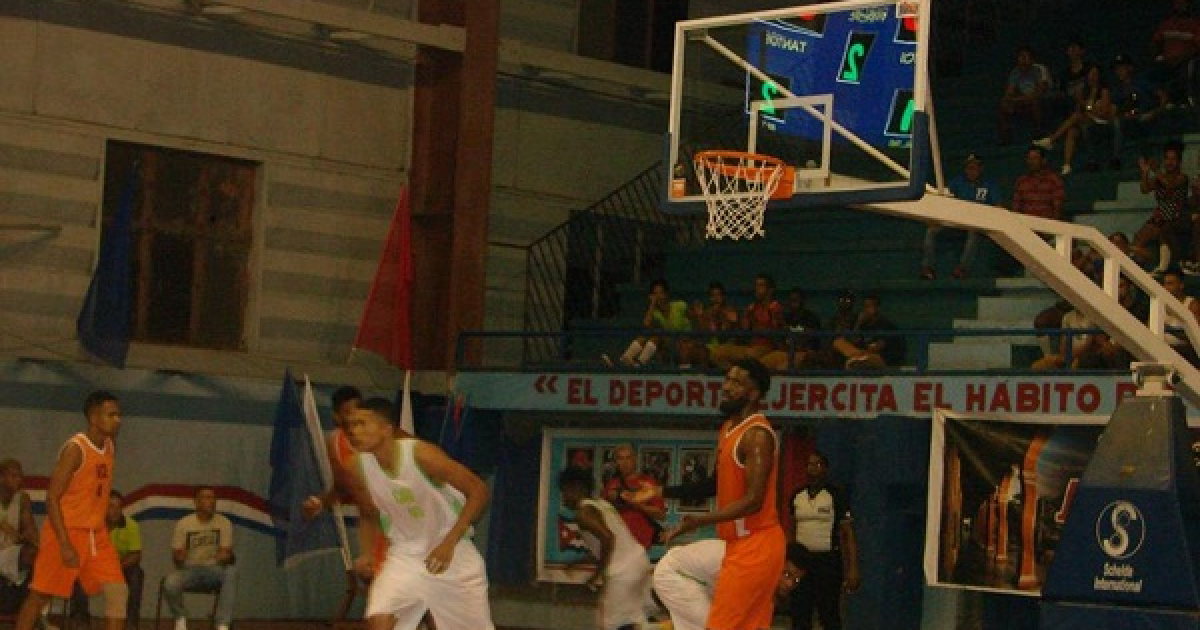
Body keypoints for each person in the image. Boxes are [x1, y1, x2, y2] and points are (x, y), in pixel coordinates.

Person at [633, 358, 786, 630]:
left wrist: (700, 521)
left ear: (754, 393)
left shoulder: (757, 435)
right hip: (738, 545)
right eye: (727, 379)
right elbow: (714, 483)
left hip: (756, 546)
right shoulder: (728, 429)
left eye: (737, 382)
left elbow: (753, 501)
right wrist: (661, 490)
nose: (726, 387)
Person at [343, 398, 494, 630]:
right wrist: (367, 553)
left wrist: (448, 543)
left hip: (453, 554)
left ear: (386, 428)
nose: (354, 431)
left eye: (362, 424)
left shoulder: (421, 454)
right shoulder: (356, 466)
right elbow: (368, 512)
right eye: (350, 425)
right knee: (380, 619)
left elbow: (479, 490)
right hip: (405, 555)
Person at [15, 391, 128, 630]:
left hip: (96, 535)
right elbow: (52, 497)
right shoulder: (76, 449)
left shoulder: (109, 445)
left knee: (118, 593)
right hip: (65, 532)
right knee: (40, 595)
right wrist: (64, 542)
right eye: (112, 414)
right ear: (94, 418)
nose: (118, 419)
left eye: (119, 414)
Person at [559, 467, 652, 630]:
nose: (563, 497)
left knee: (612, 625)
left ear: (576, 488)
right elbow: (608, 544)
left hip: (622, 573)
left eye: (564, 491)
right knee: (636, 620)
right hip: (639, 562)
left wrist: (597, 574)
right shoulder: (602, 504)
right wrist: (579, 562)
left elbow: (608, 538)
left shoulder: (583, 513)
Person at [653, 540, 810, 630]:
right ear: (777, 563)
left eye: (796, 581)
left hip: (697, 579)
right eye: (787, 574)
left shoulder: (764, 574)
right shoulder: (751, 570)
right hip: (674, 574)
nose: (789, 584)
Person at [787, 452, 860, 630]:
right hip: (801, 564)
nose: (812, 469)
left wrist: (853, 568)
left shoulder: (835, 495)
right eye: (809, 464)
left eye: (817, 464)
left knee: (829, 613)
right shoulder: (797, 495)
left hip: (827, 561)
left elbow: (847, 533)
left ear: (825, 469)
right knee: (800, 612)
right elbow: (791, 529)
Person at [163, 486, 236, 630]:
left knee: (231, 572)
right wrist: (179, 557)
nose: (211, 501)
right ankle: (180, 618)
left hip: (214, 569)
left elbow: (225, 552)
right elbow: (176, 557)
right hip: (189, 569)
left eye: (213, 498)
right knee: (170, 582)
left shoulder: (224, 522)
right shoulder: (184, 523)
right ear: (196, 502)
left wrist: (225, 556)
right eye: (207, 497)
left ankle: (222, 624)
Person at [70, 491, 143, 630]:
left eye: (118, 507)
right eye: (111, 506)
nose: (115, 511)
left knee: (136, 574)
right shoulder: (91, 526)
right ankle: (81, 622)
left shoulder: (131, 525)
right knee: (77, 574)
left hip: (119, 568)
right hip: (93, 568)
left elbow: (135, 555)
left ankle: (130, 623)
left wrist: (114, 568)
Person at [922, 153, 997, 280]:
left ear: (980, 169)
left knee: (973, 232)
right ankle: (927, 268)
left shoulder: (989, 184)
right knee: (931, 231)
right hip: (957, 224)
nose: (970, 171)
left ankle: (962, 269)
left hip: (979, 226)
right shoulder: (958, 182)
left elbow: (998, 207)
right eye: (968, 168)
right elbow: (945, 201)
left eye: (974, 168)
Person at [605, 279, 691, 368]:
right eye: (655, 294)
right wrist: (652, 304)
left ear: (666, 294)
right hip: (669, 344)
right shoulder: (656, 313)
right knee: (647, 336)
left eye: (660, 293)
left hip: (684, 343)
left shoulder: (680, 305)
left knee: (657, 335)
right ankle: (625, 360)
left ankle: (638, 364)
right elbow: (646, 324)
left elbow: (693, 319)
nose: (658, 297)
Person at [1135, 141, 1191, 275]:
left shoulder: (1182, 178)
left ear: (1179, 162)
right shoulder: (1159, 178)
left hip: (1177, 215)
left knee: (1162, 228)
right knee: (1139, 238)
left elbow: (1169, 185)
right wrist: (1145, 172)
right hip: (1160, 215)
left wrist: (1156, 170)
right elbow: (1145, 189)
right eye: (1167, 158)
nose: (1169, 162)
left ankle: (1164, 265)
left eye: (1173, 159)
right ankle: (1142, 266)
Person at [710, 274, 787, 369]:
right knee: (717, 353)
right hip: (751, 346)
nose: (757, 289)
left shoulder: (775, 307)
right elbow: (744, 329)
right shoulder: (752, 307)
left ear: (770, 290)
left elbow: (777, 333)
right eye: (756, 285)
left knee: (751, 356)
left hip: (767, 347)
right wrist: (734, 321)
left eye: (761, 285)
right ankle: (735, 374)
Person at [601, 444, 664, 550]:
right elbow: (602, 513)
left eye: (628, 458)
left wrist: (635, 503)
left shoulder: (647, 483)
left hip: (640, 542)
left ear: (635, 460)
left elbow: (660, 514)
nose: (625, 462)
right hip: (618, 541)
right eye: (620, 458)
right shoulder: (611, 485)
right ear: (616, 462)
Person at [0, 458, 37, 614]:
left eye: (20, 476)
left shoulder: (22, 498)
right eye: (13, 476)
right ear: (1, 478)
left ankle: (31, 612)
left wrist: (30, 535)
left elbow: (30, 527)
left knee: (34, 553)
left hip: (9, 552)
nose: (18, 480)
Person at [832, 294, 905, 369]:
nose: (865, 309)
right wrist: (858, 323)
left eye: (869, 306)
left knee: (858, 363)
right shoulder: (864, 324)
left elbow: (878, 346)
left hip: (883, 358)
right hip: (862, 355)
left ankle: (857, 359)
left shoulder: (884, 324)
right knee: (838, 342)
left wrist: (862, 353)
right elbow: (853, 340)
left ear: (877, 308)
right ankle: (857, 358)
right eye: (864, 306)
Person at [998, 46, 1052, 145]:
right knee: (1004, 104)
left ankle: (1039, 132)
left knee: (1035, 101)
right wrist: (1009, 99)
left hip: (1043, 100)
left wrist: (1020, 99)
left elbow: (1040, 91)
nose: (1023, 60)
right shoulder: (1015, 72)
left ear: (1031, 58)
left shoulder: (1040, 69)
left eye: (1025, 57)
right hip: (1023, 100)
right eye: (1020, 57)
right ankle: (1005, 135)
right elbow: (1009, 92)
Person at [1011, 144, 1065, 221]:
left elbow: (1058, 208)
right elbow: (1016, 207)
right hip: (1026, 226)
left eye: (1035, 158)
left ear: (1043, 160)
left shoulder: (1054, 180)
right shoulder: (1021, 181)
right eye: (1029, 158)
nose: (1031, 162)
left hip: (1047, 226)